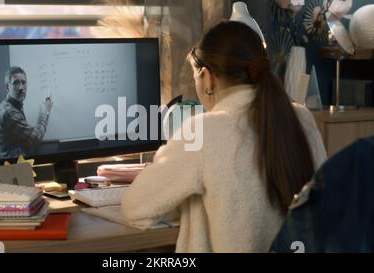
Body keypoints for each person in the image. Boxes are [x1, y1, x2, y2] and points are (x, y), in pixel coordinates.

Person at [121, 21, 327, 252]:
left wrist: (181, 200)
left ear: (207, 77)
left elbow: (134, 207)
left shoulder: (203, 131)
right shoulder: (302, 117)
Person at [0, 66, 53, 159]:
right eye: (16, 83)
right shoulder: (8, 112)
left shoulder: (14, 105)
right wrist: (44, 113)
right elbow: (35, 137)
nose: (21, 87)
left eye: (23, 82)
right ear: (7, 87)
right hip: (12, 167)